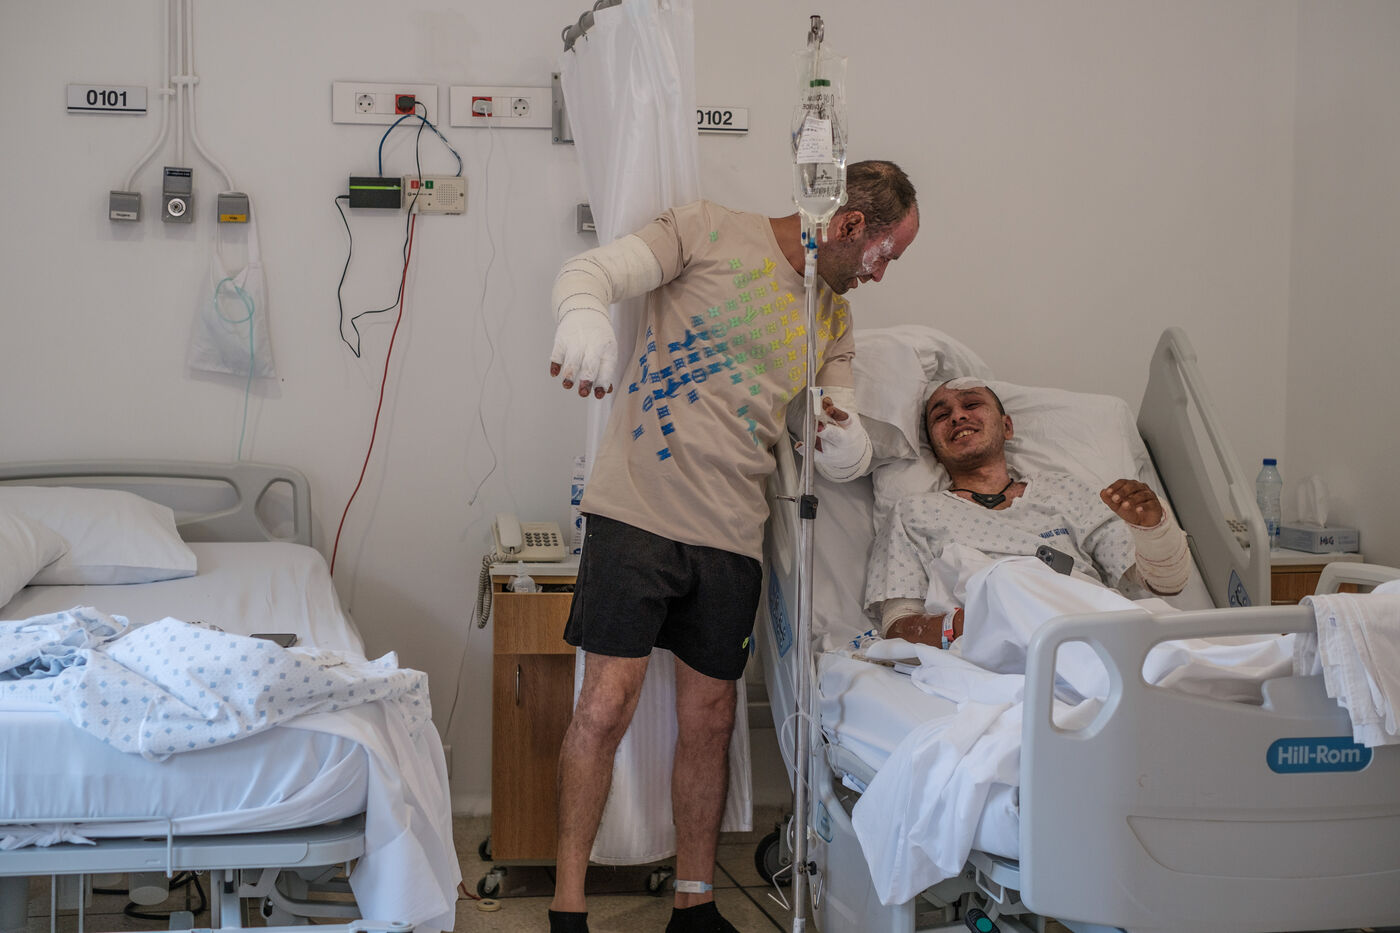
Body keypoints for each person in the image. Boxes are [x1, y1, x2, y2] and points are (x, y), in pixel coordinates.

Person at [546, 161, 919, 933]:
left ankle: (695, 904)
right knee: (605, 706)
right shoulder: (707, 230)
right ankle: (568, 903)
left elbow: (837, 422)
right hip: (638, 512)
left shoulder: (832, 318)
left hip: (732, 534)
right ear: (851, 226)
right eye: (885, 255)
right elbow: (591, 272)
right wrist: (582, 314)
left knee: (712, 719)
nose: (880, 274)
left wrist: (845, 442)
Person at [865, 377, 1191, 650]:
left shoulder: (1064, 491)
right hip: (994, 648)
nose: (958, 416)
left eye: (972, 404)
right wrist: (976, 621)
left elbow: (1160, 584)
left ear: (1007, 427)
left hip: (1090, 628)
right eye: (941, 415)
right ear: (935, 447)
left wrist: (1153, 531)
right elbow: (898, 629)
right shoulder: (915, 513)